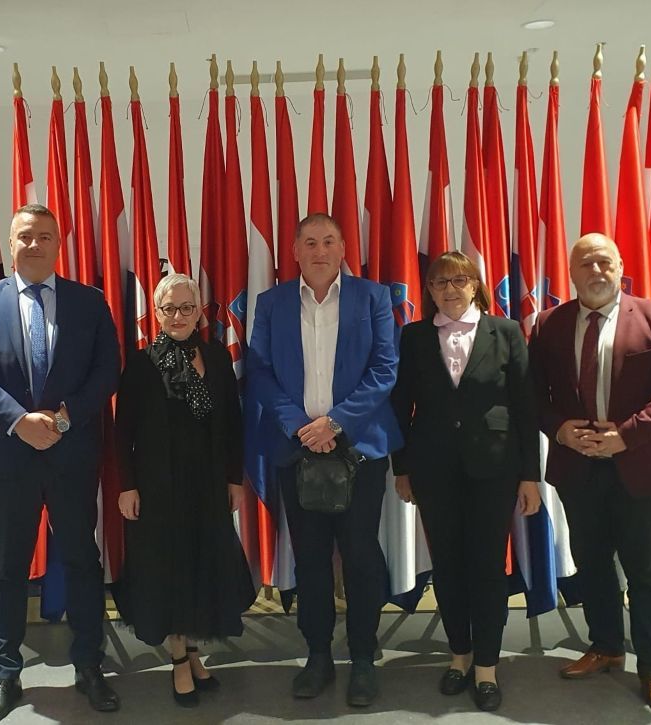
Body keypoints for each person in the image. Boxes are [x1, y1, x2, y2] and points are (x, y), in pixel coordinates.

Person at [0, 204, 121, 725]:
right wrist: (18, 421)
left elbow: (107, 368)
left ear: (58, 245)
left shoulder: (89, 302)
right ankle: (6, 673)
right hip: (9, 458)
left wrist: (65, 418)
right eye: (25, 236)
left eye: (45, 236)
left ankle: (89, 665)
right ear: (11, 244)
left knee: (82, 562)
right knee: (8, 568)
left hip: (72, 456)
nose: (35, 244)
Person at [529, 233, 651, 720]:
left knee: (645, 571)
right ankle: (605, 646)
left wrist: (626, 435)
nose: (596, 271)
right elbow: (532, 392)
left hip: (640, 465)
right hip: (578, 467)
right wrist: (560, 429)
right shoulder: (549, 324)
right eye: (585, 263)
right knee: (593, 564)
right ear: (571, 272)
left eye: (604, 262)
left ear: (620, 267)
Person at [246, 212, 401, 708]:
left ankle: (363, 658)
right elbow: (259, 370)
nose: (319, 251)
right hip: (297, 449)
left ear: (342, 248)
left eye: (328, 241)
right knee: (311, 559)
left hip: (359, 449)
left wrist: (334, 423)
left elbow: (385, 369)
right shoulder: (272, 303)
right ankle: (317, 655)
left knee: (360, 555)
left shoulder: (372, 298)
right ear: (294, 251)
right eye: (309, 242)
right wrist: (301, 426)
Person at [391, 251, 541, 712]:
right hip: (433, 470)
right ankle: (459, 655)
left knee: (487, 567)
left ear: (475, 285)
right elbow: (400, 405)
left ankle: (487, 666)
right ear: (430, 291)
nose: (450, 289)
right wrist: (401, 468)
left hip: (494, 470)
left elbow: (525, 407)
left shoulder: (506, 332)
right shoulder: (414, 336)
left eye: (459, 280)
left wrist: (530, 476)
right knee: (448, 566)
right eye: (440, 282)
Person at [112, 273, 256, 708]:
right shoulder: (141, 364)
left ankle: (193, 652)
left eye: (186, 308)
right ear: (156, 314)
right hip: (158, 487)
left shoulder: (216, 358)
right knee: (169, 571)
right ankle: (178, 660)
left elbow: (232, 423)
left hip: (208, 484)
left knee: (200, 567)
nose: (178, 316)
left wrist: (234, 479)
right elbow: (122, 432)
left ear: (198, 313)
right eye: (169, 308)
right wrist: (127, 486)